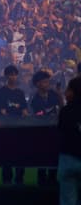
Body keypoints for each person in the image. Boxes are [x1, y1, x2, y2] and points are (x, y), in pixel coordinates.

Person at [0, 65, 28, 185]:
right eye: (10, 74)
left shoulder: (20, 93)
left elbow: (25, 111)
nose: (13, 76)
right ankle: (7, 180)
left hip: (19, 129)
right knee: (6, 155)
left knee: (20, 155)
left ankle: (20, 179)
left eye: (14, 74)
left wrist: (12, 112)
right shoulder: (1, 92)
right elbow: (1, 110)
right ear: (6, 76)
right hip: (6, 129)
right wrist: (16, 112)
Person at [30, 70, 62, 186]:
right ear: (38, 84)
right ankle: (41, 181)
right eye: (44, 82)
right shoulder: (34, 99)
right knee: (42, 158)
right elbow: (37, 115)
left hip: (53, 132)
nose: (47, 84)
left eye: (48, 82)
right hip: (41, 133)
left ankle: (52, 180)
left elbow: (61, 109)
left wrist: (59, 95)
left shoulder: (54, 95)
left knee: (54, 157)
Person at [59, 76, 81, 205]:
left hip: (69, 159)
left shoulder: (66, 111)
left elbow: (61, 130)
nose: (65, 92)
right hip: (71, 158)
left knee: (68, 200)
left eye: (68, 89)